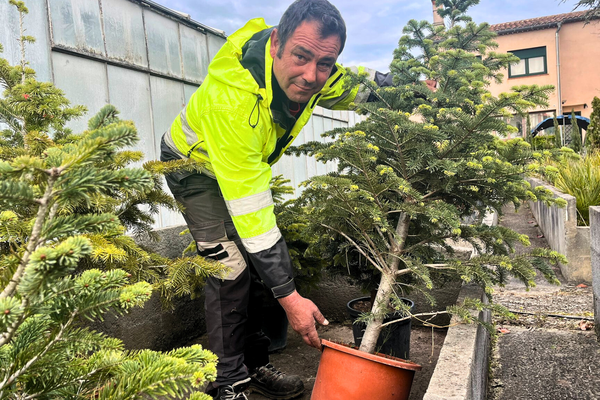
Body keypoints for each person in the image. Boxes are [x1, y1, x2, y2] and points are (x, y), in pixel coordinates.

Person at [160, 0, 389, 398]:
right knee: (228, 267)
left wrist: (415, 91)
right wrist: (290, 297)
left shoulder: (320, 72)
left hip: (234, 168)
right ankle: (227, 382)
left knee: (258, 265)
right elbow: (251, 211)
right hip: (192, 167)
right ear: (276, 44)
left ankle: (254, 363)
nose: (311, 75)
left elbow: (360, 86)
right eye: (301, 57)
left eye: (325, 62)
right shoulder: (233, 103)